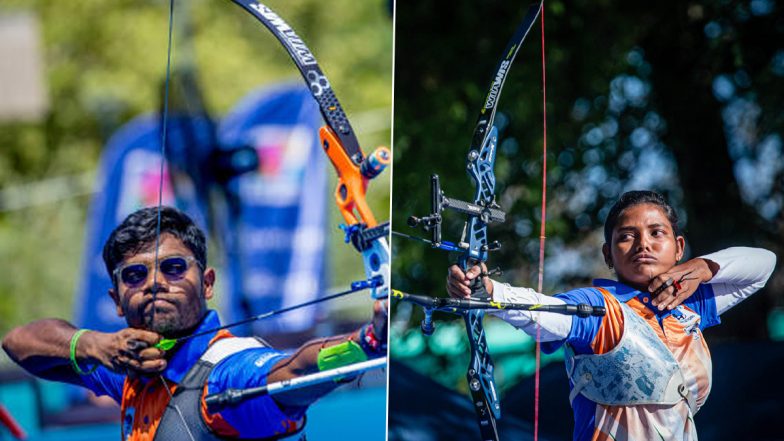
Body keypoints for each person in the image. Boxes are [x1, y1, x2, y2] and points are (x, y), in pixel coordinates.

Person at [2, 206, 387, 440]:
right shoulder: (129, 366)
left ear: (206, 283)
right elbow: (19, 342)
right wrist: (94, 346)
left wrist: (365, 343)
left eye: (173, 268)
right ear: (116, 300)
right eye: (134, 275)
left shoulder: (226, 373)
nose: (154, 283)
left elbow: (291, 370)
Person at [447, 190, 776, 441]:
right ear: (608, 254)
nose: (642, 244)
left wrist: (701, 268)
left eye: (656, 233)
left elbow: (763, 265)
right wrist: (489, 292)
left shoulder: (690, 303)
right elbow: (546, 313)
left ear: (678, 247)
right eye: (626, 236)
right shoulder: (599, 306)